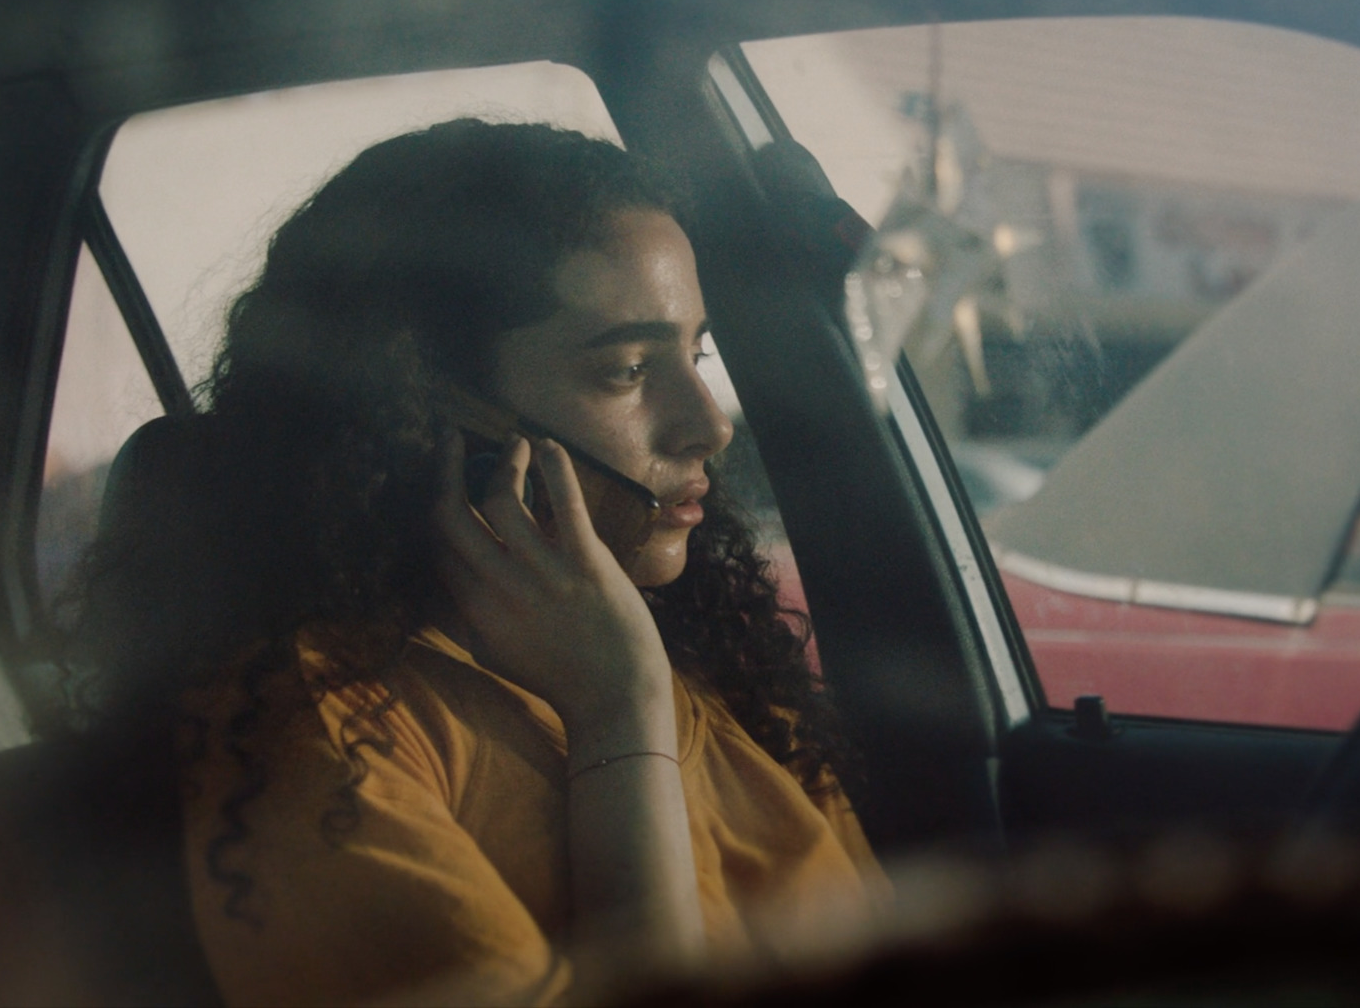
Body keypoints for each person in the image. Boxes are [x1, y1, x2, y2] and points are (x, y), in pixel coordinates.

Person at [62, 119, 891, 1006]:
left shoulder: (719, 676)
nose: (710, 422)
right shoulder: (319, 733)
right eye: (625, 368)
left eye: (696, 353)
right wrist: (619, 716)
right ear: (429, 414)